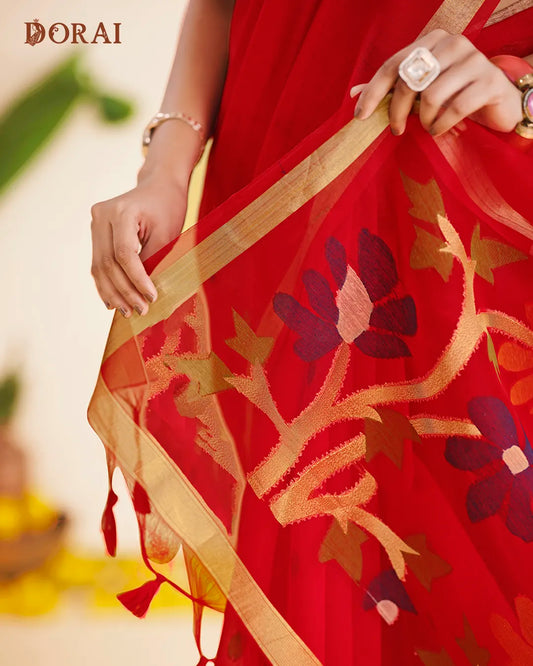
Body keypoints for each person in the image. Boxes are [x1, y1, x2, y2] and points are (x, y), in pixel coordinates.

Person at [88, 0, 533, 663]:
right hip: (277, 191)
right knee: (317, 559)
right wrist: (166, 171)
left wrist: (522, 93)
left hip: (454, 203)